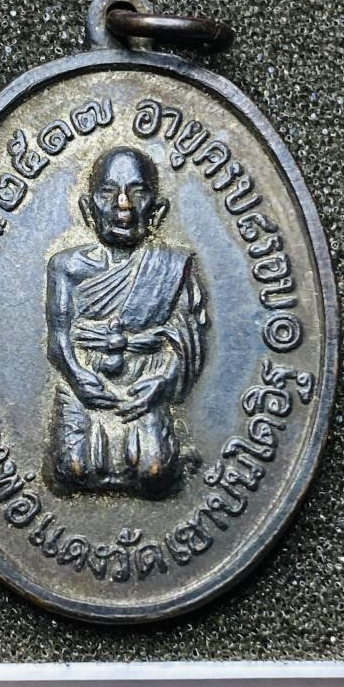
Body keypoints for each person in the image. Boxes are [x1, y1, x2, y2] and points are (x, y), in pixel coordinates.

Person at [46, 146, 207, 495]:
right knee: (71, 469)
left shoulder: (173, 266)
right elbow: (58, 339)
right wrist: (78, 377)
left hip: (144, 383)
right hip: (86, 381)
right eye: (108, 193)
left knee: (154, 472)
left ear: (157, 209)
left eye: (138, 193)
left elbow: (188, 342)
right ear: (88, 208)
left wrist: (161, 382)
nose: (123, 206)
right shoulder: (66, 266)